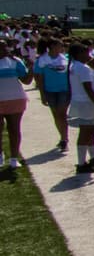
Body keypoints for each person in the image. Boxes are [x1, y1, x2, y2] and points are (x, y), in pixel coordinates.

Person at [67, 43, 94, 174]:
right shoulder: (83, 68)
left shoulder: (74, 66)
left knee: (90, 130)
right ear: (79, 54)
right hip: (86, 102)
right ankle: (81, 163)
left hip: (80, 101)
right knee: (86, 131)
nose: (89, 56)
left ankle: (93, 157)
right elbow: (88, 89)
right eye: (86, 53)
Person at [0, 38, 34, 168]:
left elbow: (26, 81)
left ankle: (14, 158)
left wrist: (31, 69)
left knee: (14, 129)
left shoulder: (15, 62)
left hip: (15, 99)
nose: (3, 49)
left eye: (5, 47)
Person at [33, 37, 70, 153]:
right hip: (50, 91)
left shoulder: (65, 59)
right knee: (56, 115)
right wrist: (42, 94)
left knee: (62, 114)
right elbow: (39, 78)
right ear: (52, 46)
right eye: (60, 45)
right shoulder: (42, 60)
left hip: (64, 90)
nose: (62, 48)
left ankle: (65, 139)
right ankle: (62, 136)